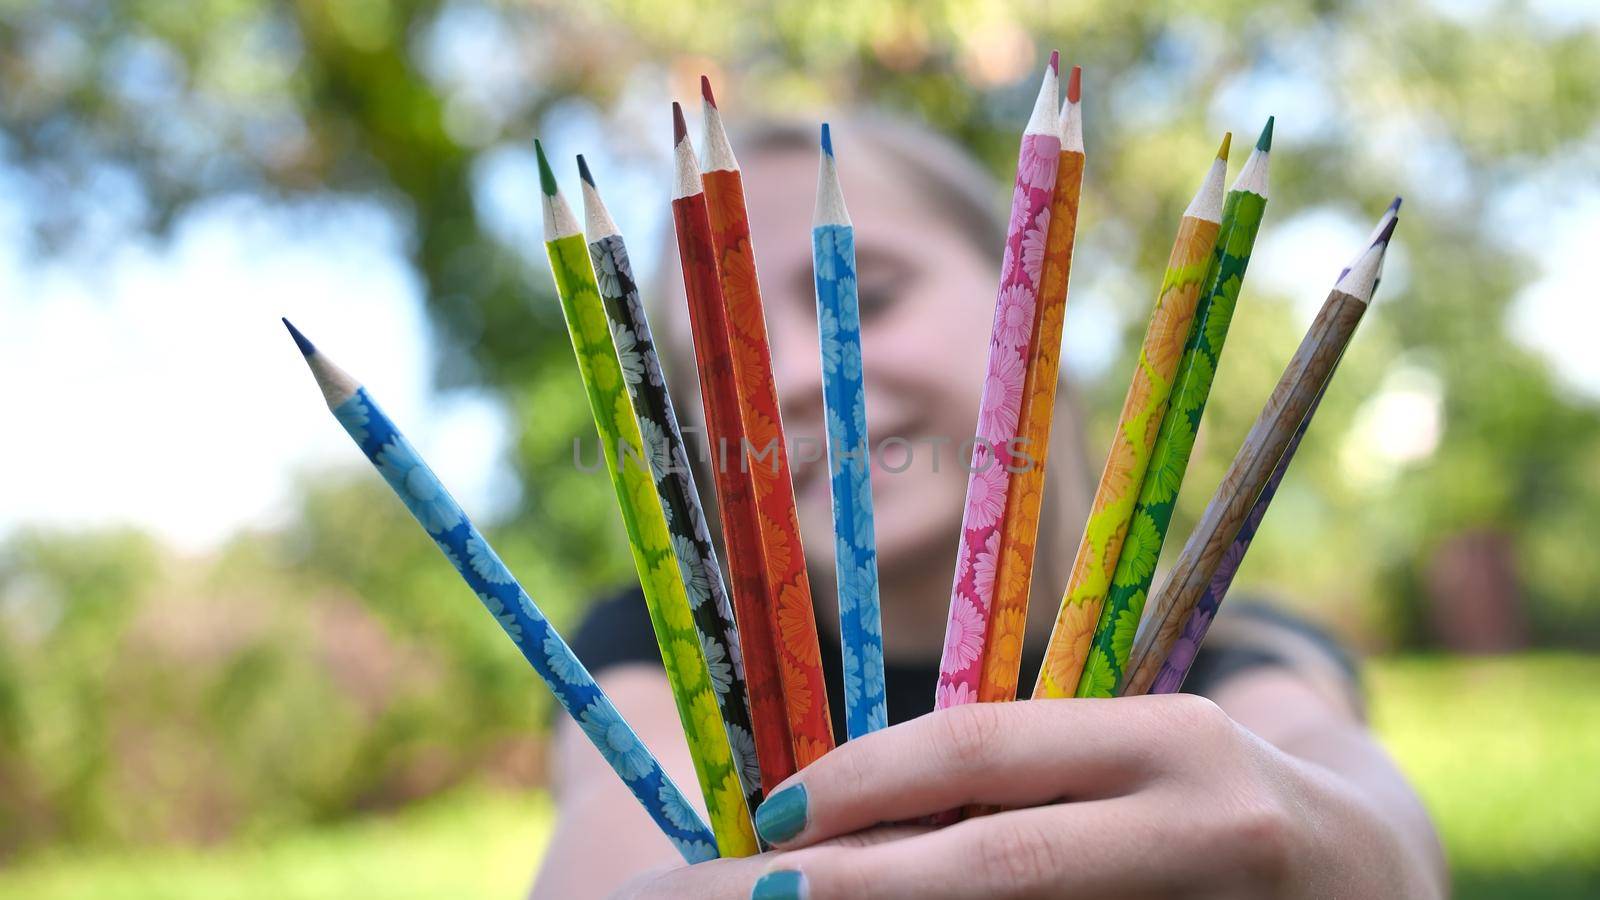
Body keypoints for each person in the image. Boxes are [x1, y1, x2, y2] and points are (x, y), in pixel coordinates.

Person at [532, 117, 1445, 899]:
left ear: (1037, 285)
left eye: (868, 296)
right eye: (721, 365)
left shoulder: (1213, 646)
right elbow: (609, 839)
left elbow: (1368, 811)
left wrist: (1352, 856)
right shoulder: (667, 655)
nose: (802, 379)